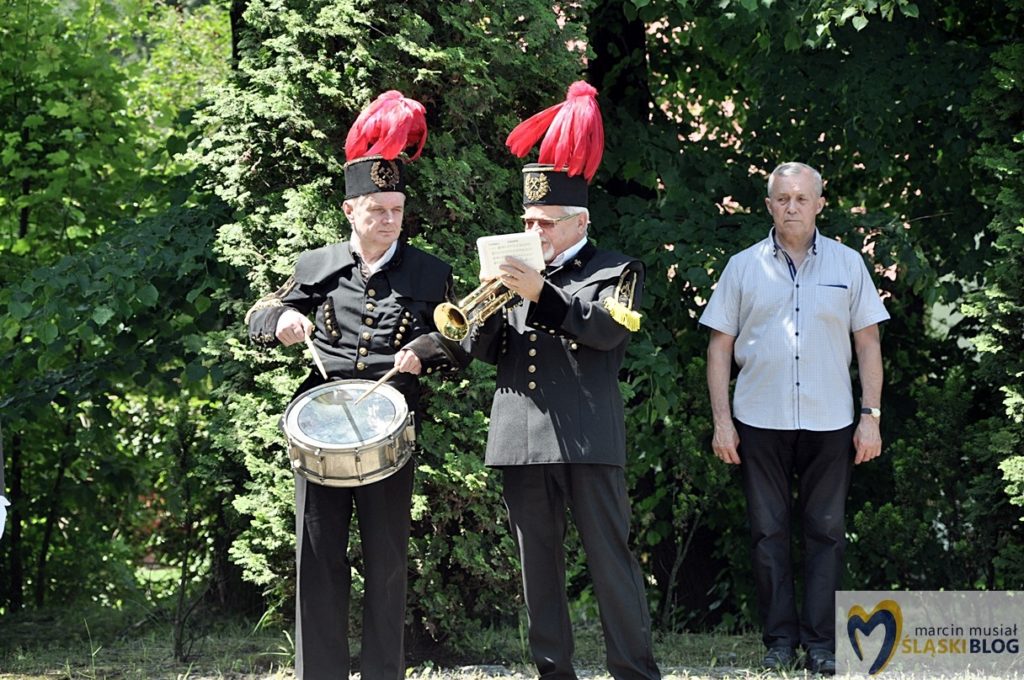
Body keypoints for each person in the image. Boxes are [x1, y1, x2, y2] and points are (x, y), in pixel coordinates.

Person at [245, 91, 470, 680]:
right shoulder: (317, 266)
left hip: (388, 431)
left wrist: (425, 350)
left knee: (388, 563)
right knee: (317, 561)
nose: (388, 220)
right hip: (319, 429)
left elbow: (461, 339)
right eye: (376, 209)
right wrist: (282, 322)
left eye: (395, 209)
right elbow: (258, 317)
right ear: (351, 211)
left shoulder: (429, 272)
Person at [466, 82, 661, 680]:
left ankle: (634, 670)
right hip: (521, 436)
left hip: (585, 437)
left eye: (546, 222)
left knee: (611, 560)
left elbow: (605, 333)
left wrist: (541, 294)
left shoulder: (616, 269)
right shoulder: (514, 270)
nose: (536, 230)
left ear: (579, 220)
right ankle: (553, 670)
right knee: (537, 566)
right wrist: (486, 304)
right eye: (528, 219)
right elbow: (482, 351)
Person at [699, 162, 889, 675]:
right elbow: (719, 349)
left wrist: (870, 416)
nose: (792, 207)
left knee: (826, 532)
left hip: (831, 421)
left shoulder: (849, 266)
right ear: (768, 205)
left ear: (821, 203)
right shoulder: (742, 267)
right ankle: (779, 642)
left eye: (802, 198)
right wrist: (722, 421)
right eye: (782, 198)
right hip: (759, 420)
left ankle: (823, 645)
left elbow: (868, 345)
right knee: (767, 533)